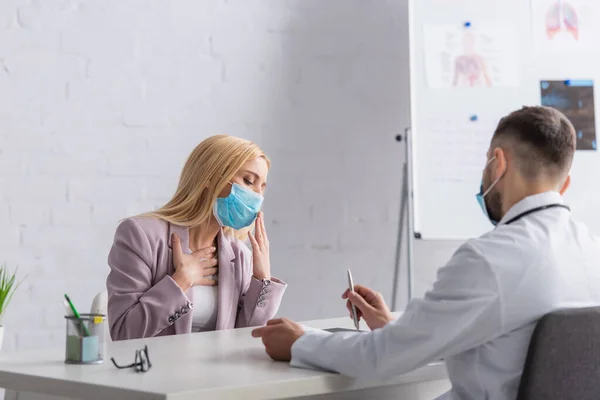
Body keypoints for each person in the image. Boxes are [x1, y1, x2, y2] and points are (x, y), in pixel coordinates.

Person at [252, 106, 600, 400]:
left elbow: (381, 359)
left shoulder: (491, 260)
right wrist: (396, 327)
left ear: (498, 164)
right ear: (564, 184)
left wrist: (300, 343)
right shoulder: (591, 251)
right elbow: (504, 341)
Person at [107, 135, 286, 341]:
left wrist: (262, 278)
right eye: (248, 181)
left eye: (262, 187)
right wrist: (180, 281)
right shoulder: (139, 235)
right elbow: (123, 334)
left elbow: (246, 338)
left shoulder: (239, 255)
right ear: (211, 177)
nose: (257, 196)